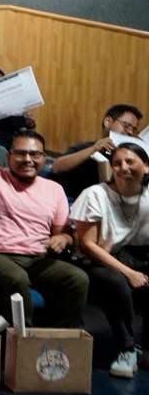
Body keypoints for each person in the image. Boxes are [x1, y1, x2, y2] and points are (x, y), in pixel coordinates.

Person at [0, 130, 86, 328]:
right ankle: (24, 340)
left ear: (44, 158)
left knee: (77, 279)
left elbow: (64, 234)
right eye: (21, 153)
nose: (28, 159)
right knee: (16, 278)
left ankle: (61, 337)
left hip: (36, 257)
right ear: (9, 156)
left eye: (35, 154)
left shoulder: (54, 189)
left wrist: (63, 239)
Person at [71, 142, 149, 377]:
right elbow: (88, 245)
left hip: (134, 254)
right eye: (117, 163)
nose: (123, 167)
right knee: (115, 282)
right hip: (97, 259)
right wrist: (129, 273)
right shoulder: (95, 194)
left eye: (130, 161)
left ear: (146, 166)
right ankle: (128, 348)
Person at [52, 104, 143, 201]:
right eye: (126, 126)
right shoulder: (85, 147)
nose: (130, 132)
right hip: (76, 201)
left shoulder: (129, 159)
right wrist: (93, 149)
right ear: (107, 122)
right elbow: (57, 167)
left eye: (134, 130)